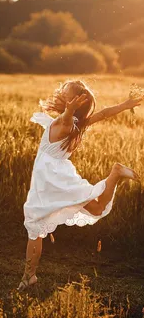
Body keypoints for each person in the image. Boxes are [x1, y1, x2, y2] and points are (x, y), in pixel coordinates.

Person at [17, 79, 141, 291]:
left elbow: (66, 119)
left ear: (72, 101)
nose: (61, 90)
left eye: (66, 91)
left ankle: (29, 277)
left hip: (51, 180)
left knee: (34, 226)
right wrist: (125, 105)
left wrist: (69, 109)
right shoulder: (77, 124)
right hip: (58, 177)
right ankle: (115, 174)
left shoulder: (65, 123)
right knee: (97, 208)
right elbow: (102, 114)